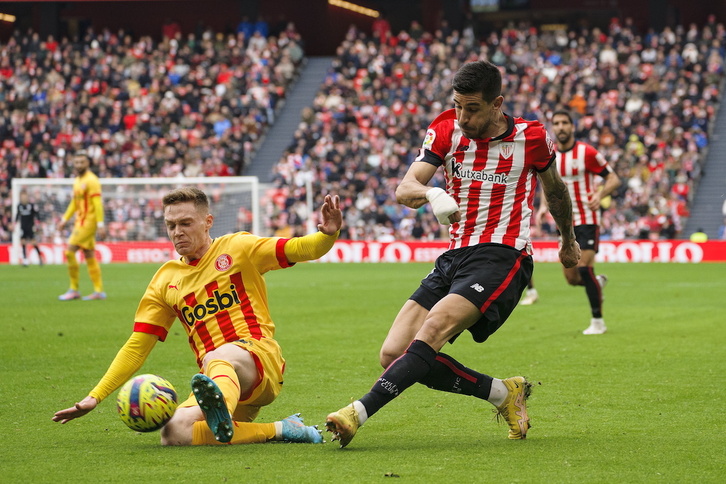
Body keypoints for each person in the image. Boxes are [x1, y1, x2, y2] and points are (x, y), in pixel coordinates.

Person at [325, 61, 580, 448]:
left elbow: (556, 190)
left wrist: (568, 239)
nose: (462, 116)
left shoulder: (531, 138)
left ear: (497, 104)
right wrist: (431, 193)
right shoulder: (445, 129)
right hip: (453, 256)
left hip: (502, 254)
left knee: (431, 333)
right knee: (393, 352)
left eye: (472, 108)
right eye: (458, 105)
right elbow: (405, 188)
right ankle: (502, 393)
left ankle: (356, 413)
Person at [53, 187, 343, 446]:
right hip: (216, 381)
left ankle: (221, 408)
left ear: (207, 222)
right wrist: (95, 396)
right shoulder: (164, 280)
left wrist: (327, 234)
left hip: (257, 360)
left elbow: (300, 248)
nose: (177, 231)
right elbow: (137, 346)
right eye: (171, 225)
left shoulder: (238, 248)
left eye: (185, 223)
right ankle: (283, 429)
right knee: (173, 432)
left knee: (219, 355)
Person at [533, 110, 621, 334]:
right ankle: (596, 283)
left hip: (588, 220)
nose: (561, 127)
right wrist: (544, 207)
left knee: (583, 267)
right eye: (557, 123)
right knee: (572, 278)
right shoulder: (549, 155)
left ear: (572, 127)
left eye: (565, 123)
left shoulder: (587, 152)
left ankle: (598, 322)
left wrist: (600, 195)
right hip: (565, 224)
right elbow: (548, 185)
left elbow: (613, 178)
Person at [57, 151, 107, 301]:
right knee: (89, 254)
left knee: (69, 251)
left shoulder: (92, 180)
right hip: (80, 221)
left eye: (82, 162)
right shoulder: (77, 181)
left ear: (88, 163)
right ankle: (98, 291)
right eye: (76, 162)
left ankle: (74, 289)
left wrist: (100, 224)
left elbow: (97, 204)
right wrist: (65, 219)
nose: (79, 165)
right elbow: (74, 202)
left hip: (88, 222)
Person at [15, 191, 44, 267]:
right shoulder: (19, 205)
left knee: (34, 243)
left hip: (30, 227)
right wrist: (14, 224)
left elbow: (37, 214)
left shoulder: (31, 205)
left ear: (27, 197)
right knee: (23, 243)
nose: (23, 198)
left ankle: (40, 258)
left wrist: (37, 224)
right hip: (23, 228)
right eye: (22, 197)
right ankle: (25, 261)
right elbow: (17, 215)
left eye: (25, 196)